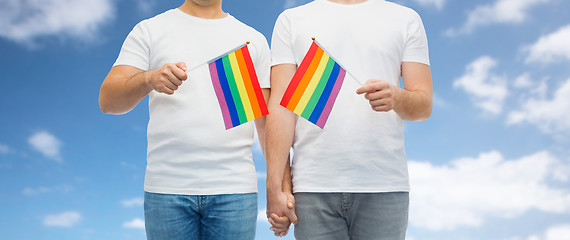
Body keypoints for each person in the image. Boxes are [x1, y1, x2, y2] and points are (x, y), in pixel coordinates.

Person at [98, 0, 270, 239]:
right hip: (166, 189)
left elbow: (265, 122)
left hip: (235, 189)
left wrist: (278, 187)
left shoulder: (253, 40)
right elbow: (108, 101)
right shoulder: (149, 29)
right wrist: (148, 79)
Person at [265, 0, 433, 239]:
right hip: (312, 187)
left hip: (384, 185)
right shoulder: (291, 20)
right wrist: (274, 186)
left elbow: (423, 106)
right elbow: (281, 107)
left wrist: (396, 97)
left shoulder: (406, 19)